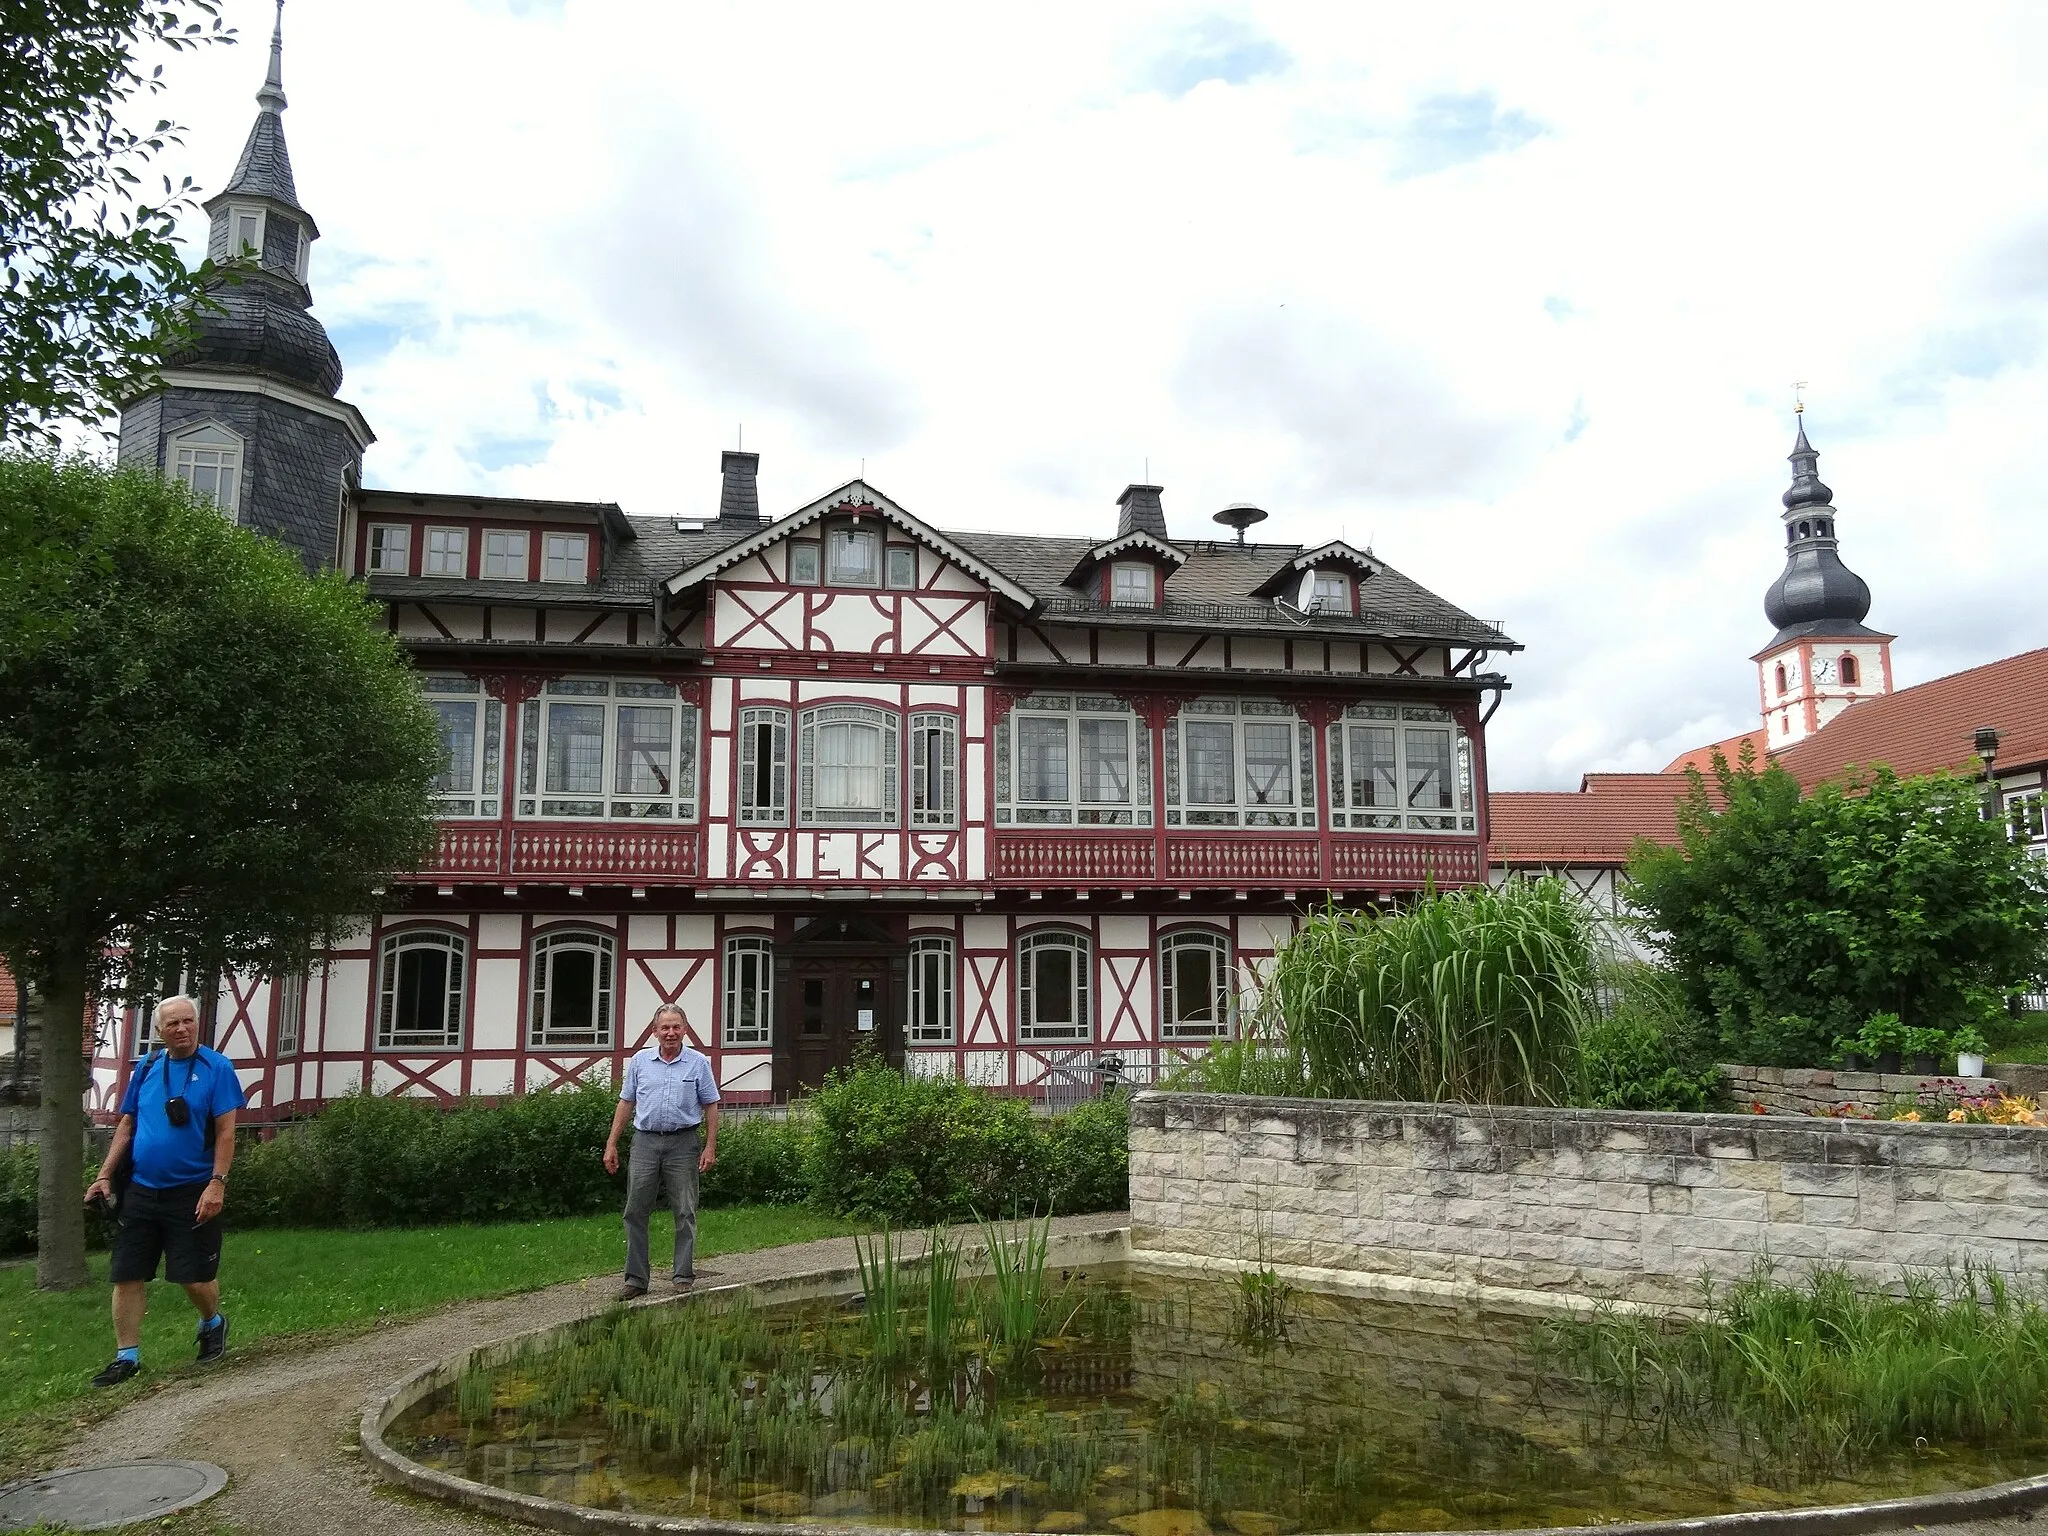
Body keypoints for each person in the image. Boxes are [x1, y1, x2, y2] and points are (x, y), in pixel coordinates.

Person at [84, 993, 245, 1386]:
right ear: (159, 1032)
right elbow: (127, 1124)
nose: (182, 1028)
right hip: (142, 1188)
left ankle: (212, 1322)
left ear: (197, 1024)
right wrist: (105, 1174)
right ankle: (127, 1357)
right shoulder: (148, 1067)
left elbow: (226, 1133)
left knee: (193, 1278)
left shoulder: (217, 1067)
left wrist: (217, 1184)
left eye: (188, 1021)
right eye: (173, 1023)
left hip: (193, 1190)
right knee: (127, 1273)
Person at [602, 1003, 719, 1301]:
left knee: (684, 1210)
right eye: (664, 1027)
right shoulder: (640, 1061)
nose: (670, 1033)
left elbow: (711, 1105)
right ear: (655, 1032)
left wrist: (710, 1146)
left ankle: (682, 1276)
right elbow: (626, 1102)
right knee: (635, 1211)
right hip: (645, 1143)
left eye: (676, 1027)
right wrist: (612, 1143)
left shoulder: (698, 1063)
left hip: (683, 1143)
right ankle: (636, 1280)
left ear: (685, 1030)